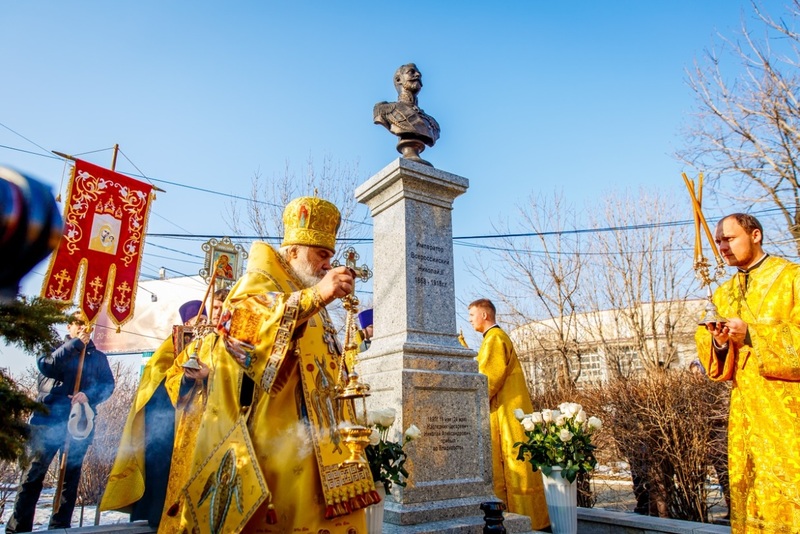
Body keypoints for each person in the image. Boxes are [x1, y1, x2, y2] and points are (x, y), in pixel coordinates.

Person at [177, 196, 376, 533]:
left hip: (320, 442)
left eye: (330, 256)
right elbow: (240, 332)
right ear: (292, 251)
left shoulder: (305, 291)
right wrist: (315, 297)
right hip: (276, 444)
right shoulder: (259, 282)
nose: (328, 265)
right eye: (321, 254)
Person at [695, 213, 800, 532]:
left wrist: (753, 334)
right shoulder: (723, 294)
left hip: (788, 414)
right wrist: (720, 342)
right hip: (745, 414)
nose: (722, 246)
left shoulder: (791, 277)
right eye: (718, 241)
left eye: (729, 238)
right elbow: (715, 362)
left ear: (755, 235)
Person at [100, 300, 206, 528]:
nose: (202, 324)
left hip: (196, 425)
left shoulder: (210, 345)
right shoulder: (171, 347)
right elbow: (156, 382)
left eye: (205, 319)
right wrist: (186, 379)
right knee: (160, 477)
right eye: (198, 320)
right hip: (164, 426)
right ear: (186, 322)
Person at [7, 312, 115, 532]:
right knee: (33, 475)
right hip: (47, 420)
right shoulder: (53, 347)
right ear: (69, 327)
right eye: (78, 324)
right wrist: (76, 345)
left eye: (87, 324)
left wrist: (88, 396)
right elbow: (48, 366)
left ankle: (60, 526)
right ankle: (18, 528)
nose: (83, 328)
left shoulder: (98, 357)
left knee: (70, 477)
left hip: (78, 424)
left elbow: (107, 386)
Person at [468, 299, 549, 530]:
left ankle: (519, 522)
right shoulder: (494, 338)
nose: (471, 319)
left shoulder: (494, 338)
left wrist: (467, 398)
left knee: (512, 467)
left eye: (473, 314)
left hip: (504, 414)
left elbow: (488, 379)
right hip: (505, 411)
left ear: (485, 315)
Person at [689, 360, 731, 519]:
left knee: (726, 474)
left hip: (721, 438)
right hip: (710, 441)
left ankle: (734, 508)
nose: (696, 377)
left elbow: (723, 412)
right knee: (721, 476)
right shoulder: (696, 393)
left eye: (698, 373)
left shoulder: (715, 390)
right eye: (693, 374)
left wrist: (707, 417)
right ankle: (730, 508)